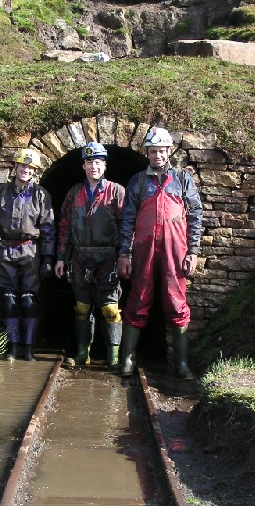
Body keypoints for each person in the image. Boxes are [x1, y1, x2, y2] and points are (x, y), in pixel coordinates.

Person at [117, 127, 203, 379]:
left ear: (169, 151)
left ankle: (181, 362)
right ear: (148, 152)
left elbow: (195, 215)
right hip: (143, 248)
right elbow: (127, 219)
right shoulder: (138, 181)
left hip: (175, 250)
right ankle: (128, 359)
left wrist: (193, 251)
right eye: (153, 151)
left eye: (162, 150)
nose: (157, 155)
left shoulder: (182, 178)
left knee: (176, 301)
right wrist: (124, 253)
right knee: (138, 298)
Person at [0, 148, 55, 361]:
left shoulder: (41, 195)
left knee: (29, 301)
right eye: (22, 165)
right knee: (9, 300)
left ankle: (28, 347)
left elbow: (48, 228)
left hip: (31, 251)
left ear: (35, 171)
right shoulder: (2, 193)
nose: (26, 170)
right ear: (15, 167)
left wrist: (48, 258)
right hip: (5, 251)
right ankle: (13, 345)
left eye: (30, 167)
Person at [55, 143, 125, 370]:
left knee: (110, 309)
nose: (93, 167)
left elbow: (127, 228)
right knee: (82, 308)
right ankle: (82, 353)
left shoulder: (116, 192)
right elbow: (64, 227)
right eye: (89, 163)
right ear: (83, 166)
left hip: (108, 259)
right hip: (80, 258)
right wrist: (60, 258)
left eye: (98, 162)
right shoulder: (74, 193)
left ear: (104, 165)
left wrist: (126, 256)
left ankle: (113, 357)